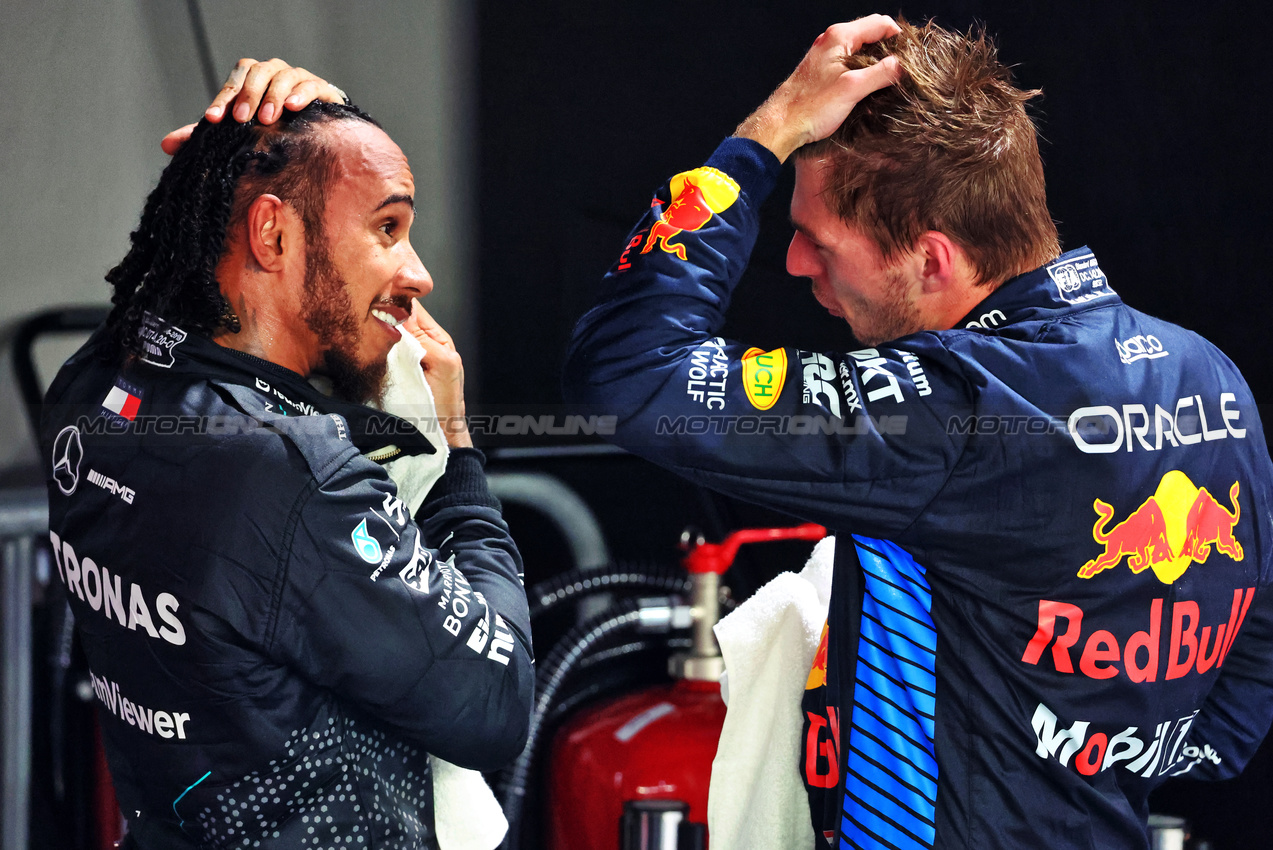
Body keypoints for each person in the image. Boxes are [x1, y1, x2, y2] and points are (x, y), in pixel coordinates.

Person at [563, 15, 1273, 849]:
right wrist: (1095, 760)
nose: (792, 263)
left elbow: (629, 371)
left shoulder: (950, 406)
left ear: (931, 261)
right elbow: (1246, 672)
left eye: (817, 239)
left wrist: (766, 134)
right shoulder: (1209, 372)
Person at [42, 60, 533, 849]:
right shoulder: (289, 472)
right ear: (274, 233)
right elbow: (495, 704)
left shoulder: (99, 374)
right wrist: (457, 456)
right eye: (387, 228)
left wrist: (307, 130)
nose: (418, 274)